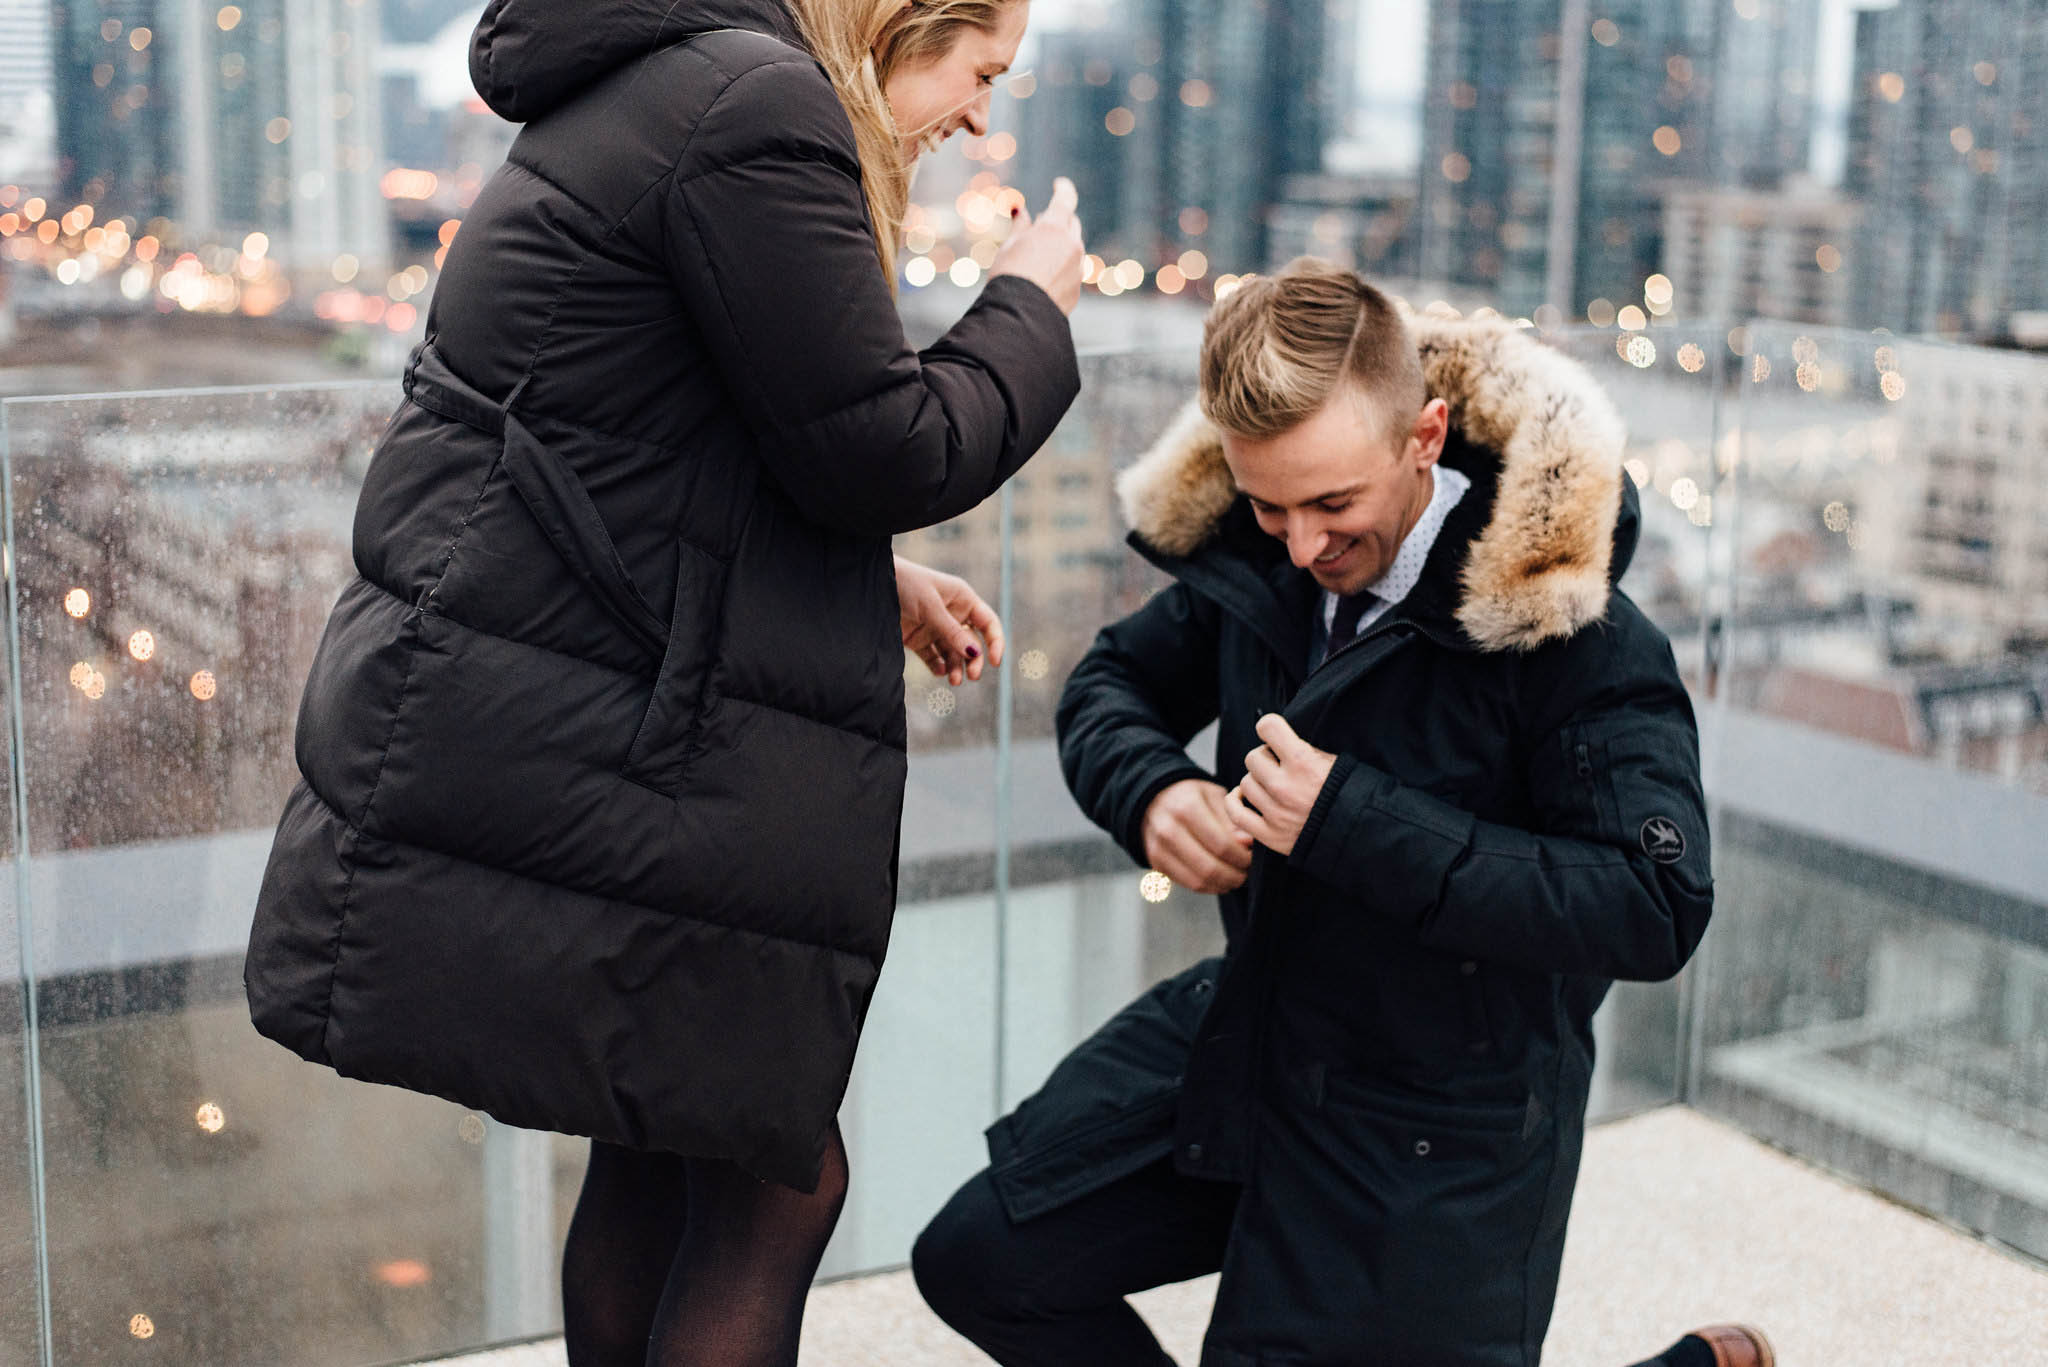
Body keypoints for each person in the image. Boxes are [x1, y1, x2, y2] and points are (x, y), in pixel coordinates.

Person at [242, 0, 1084, 1363]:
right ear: (902, 19)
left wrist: (867, 583)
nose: (984, 112)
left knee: (661, 1146)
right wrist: (1032, 303)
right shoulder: (759, 106)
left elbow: (638, 435)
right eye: (982, 68)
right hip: (620, 726)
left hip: (570, 696)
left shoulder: (667, 83)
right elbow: (890, 451)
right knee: (779, 1184)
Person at [913, 260, 1770, 1367]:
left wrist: (1350, 818)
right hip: (1250, 1037)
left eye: (1331, 503)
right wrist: (1153, 790)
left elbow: (1652, 903)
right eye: (1265, 502)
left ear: (1423, 435)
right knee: (982, 1255)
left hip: (1437, 1128)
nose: (1301, 545)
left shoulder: (1577, 637)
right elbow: (1109, 683)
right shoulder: (1262, 563)